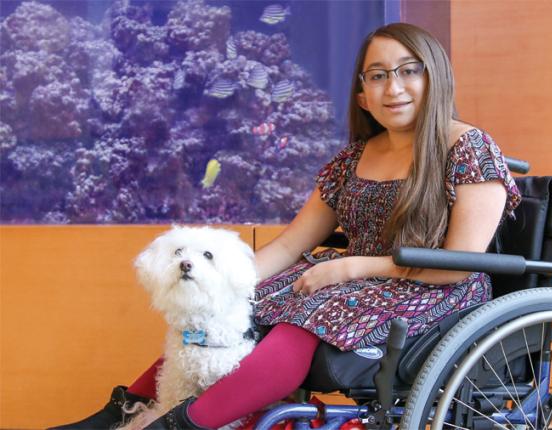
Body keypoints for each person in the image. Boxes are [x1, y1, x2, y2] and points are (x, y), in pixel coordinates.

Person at [51, 22, 520, 430]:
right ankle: (125, 411)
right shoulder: (353, 160)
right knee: (247, 302)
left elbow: (461, 263)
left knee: (309, 313)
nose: (393, 87)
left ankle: (184, 424)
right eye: (378, 76)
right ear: (362, 94)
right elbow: (293, 243)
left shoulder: (469, 147)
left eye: (408, 70)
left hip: (432, 290)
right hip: (354, 284)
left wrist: (351, 268)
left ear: (434, 75)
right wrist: (226, 285)